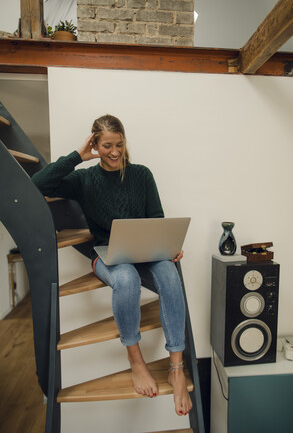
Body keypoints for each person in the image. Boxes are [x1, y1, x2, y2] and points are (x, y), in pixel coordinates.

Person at [32, 114, 192, 416]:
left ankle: (177, 368)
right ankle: (136, 361)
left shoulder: (141, 175)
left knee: (170, 276)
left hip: (144, 248)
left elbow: (155, 218)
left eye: (119, 144)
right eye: (107, 146)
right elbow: (38, 184)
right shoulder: (84, 179)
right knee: (127, 280)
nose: (115, 152)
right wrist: (78, 156)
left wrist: (168, 246)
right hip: (105, 251)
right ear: (95, 143)